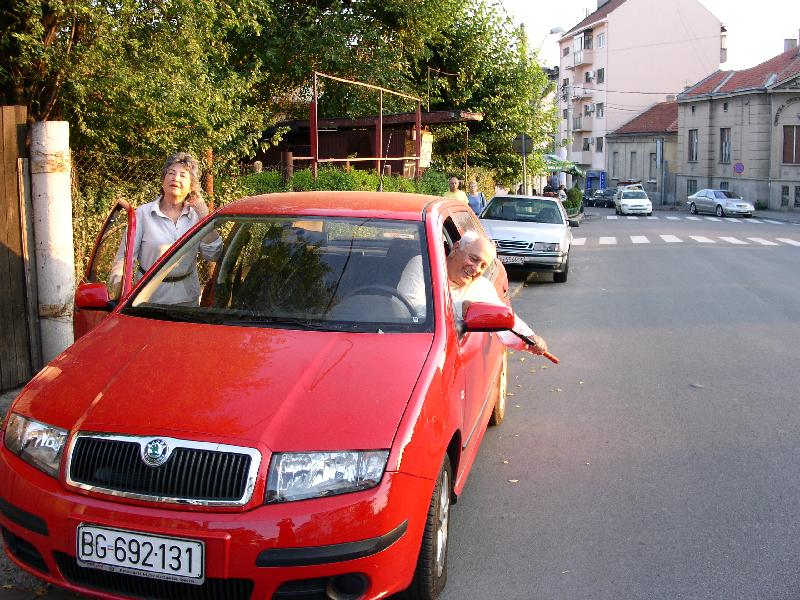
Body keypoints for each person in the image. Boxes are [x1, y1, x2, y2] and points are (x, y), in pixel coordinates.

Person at [398, 230, 548, 356]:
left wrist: (530, 338)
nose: (476, 269)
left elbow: (503, 318)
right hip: (410, 347)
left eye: (483, 266)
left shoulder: (481, 286)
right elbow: (406, 311)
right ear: (456, 248)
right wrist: (460, 309)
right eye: (473, 259)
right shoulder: (424, 266)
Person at [111, 152, 222, 305]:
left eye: (183, 175)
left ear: (192, 186)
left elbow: (214, 254)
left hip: (187, 300)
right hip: (148, 300)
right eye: (171, 173)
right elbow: (124, 260)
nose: (175, 178)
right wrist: (118, 293)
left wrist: (205, 217)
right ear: (163, 180)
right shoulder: (143, 214)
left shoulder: (197, 215)